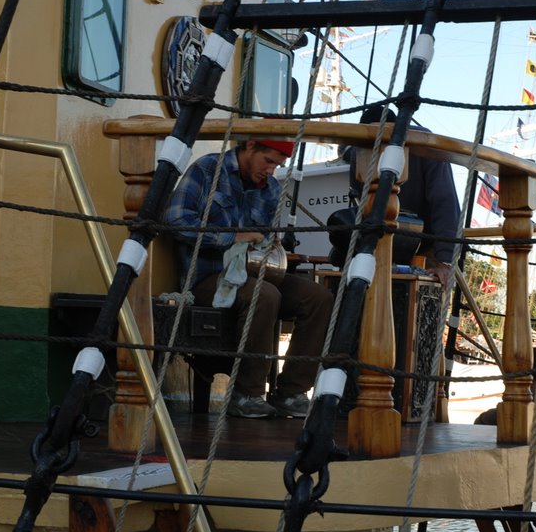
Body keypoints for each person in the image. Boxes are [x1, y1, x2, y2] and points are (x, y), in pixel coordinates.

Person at [165, 139, 333, 419]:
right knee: (265, 295)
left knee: (319, 298)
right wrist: (233, 237)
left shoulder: (272, 189)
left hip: (254, 273)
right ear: (250, 146)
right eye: (268, 161)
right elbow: (174, 220)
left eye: (277, 165)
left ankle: (291, 392)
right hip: (207, 276)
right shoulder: (207, 169)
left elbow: (268, 238)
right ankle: (246, 394)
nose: (271, 170)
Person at [348, 105, 461, 283]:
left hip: (426, 244)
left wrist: (445, 261)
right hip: (378, 238)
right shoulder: (358, 151)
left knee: (422, 298)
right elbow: (360, 201)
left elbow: (444, 202)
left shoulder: (425, 144)